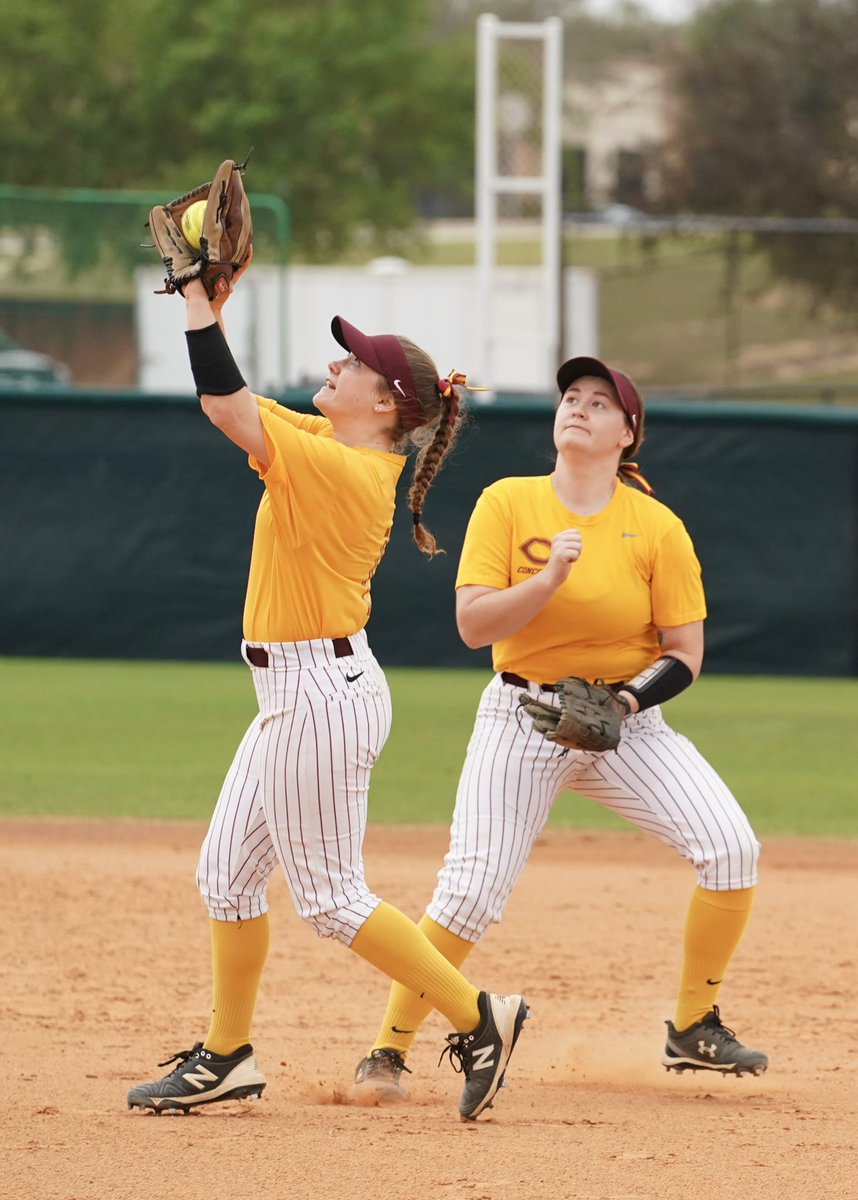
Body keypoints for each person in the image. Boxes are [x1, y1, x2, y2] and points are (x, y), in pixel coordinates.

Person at [126, 254, 528, 1122]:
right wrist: (213, 315)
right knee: (227, 878)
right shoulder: (325, 444)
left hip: (320, 696)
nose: (335, 363)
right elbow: (227, 402)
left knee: (332, 898)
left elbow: (227, 407)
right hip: (294, 695)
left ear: (387, 405)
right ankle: (227, 1053)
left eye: (353, 362)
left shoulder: (348, 473)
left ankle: (477, 1016)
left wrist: (197, 302)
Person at [353, 354, 767, 1099]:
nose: (578, 407)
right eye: (570, 396)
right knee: (470, 890)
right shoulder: (508, 503)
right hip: (524, 714)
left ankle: (693, 1026)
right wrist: (547, 582)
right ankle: (388, 1049)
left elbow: (684, 652)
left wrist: (624, 706)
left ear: (626, 434)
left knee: (731, 848)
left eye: (599, 403)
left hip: (625, 724)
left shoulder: (655, 527)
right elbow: (473, 627)